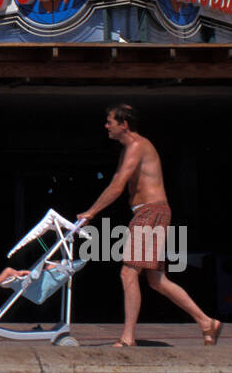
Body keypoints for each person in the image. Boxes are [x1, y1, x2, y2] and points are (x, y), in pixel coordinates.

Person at [76, 104, 222, 348]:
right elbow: (118, 183)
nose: (106, 125)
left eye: (110, 121)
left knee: (128, 272)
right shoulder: (128, 149)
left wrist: (91, 212)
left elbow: (117, 185)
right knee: (156, 280)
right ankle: (206, 322)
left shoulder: (137, 146)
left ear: (124, 125)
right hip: (149, 213)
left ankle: (127, 337)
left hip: (150, 213)